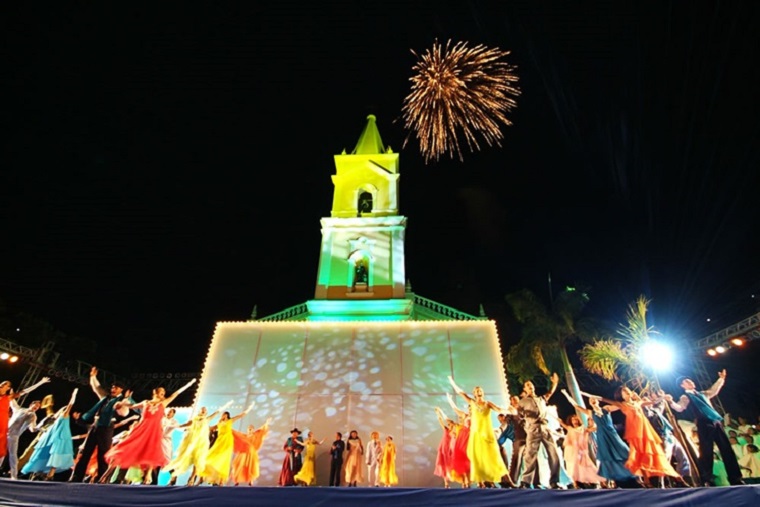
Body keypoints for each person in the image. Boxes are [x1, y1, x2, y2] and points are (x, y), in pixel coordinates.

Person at [100, 378, 197, 484]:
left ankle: (148, 476)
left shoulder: (163, 404)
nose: (163, 394)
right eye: (161, 392)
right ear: (155, 392)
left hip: (154, 432)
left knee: (152, 452)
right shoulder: (146, 402)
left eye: (164, 393)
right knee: (127, 448)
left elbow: (175, 394)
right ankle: (108, 476)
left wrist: (189, 384)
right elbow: (132, 406)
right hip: (141, 429)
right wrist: (123, 403)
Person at [665, 369, 744, 486]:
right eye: (687, 381)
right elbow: (680, 408)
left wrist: (721, 378)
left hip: (716, 421)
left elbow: (714, 390)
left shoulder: (702, 393)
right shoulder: (685, 396)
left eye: (690, 380)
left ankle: (736, 478)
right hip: (704, 423)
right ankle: (707, 479)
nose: (691, 382)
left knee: (727, 450)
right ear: (682, 385)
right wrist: (671, 401)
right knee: (707, 451)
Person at [593, 386, 681, 487]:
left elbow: (652, 402)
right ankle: (646, 481)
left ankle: (674, 477)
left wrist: (663, 397)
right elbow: (608, 403)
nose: (626, 393)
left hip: (645, 430)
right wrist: (598, 399)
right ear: (621, 396)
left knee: (654, 452)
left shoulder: (638, 402)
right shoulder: (622, 404)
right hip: (634, 432)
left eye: (627, 391)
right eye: (623, 393)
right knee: (639, 455)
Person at [561, 389, 640, 488]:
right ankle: (617, 480)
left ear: (597, 401)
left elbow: (619, 405)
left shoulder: (606, 408)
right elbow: (576, 406)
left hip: (611, 434)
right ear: (590, 403)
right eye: (590, 400)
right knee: (608, 458)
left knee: (624, 452)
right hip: (602, 436)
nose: (592, 400)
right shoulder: (591, 413)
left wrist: (631, 400)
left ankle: (633, 474)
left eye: (594, 399)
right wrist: (566, 394)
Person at [448, 376, 514, 488]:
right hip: (476, 436)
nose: (479, 392)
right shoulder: (472, 403)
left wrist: (509, 411)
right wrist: (452, 383)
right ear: (474, 394)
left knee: (495, 457)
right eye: (476, 391)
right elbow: (461, 393)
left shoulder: (487, 403)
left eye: (480, 391)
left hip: (487, 435)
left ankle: (508, 481)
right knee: (478, 459)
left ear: (483, 393)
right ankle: (481, 482)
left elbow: (498, 409)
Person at [69, 367, 133, 482]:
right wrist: (93, 376)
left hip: (106, 429)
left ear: (121, 390)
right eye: (113, 387)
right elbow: (97, 388)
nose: (113, 389)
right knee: (86, 453)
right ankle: (77, 476)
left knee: (103, 455)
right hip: (95, 426)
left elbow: (125, 412)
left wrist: (122, 405)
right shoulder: (105, 398)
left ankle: (101, 478)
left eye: (116, 388)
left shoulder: (121, 401)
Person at [166, 401, 233, 486]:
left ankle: (192, 478)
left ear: (206, 413)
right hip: (191, 442)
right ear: (199, 411)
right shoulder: (194, 419)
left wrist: (225, 406)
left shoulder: (207, 419)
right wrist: (177, 426)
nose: (203, 410)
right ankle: (174, 477)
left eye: (205, 410)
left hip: (201, 444)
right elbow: (187, 424)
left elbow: (216, 413)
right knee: (183, 458)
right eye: (202, 409)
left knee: (197, 461)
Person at [517, 373, 562, 489]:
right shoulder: (522, 402)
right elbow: (519, 415)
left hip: (545, 428)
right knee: (530, 455)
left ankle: (554, 481)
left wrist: (555, 383)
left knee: (554, 454)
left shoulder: (541, 399)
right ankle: (526, 481)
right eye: (527, 385)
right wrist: (525, 418)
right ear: (524, 389)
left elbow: (550, 393)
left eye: (531, 384)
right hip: (533, 429)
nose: (530, 386)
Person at [21, 388, 78, 480]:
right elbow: (50, 411)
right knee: (45, 453)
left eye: (66, 409)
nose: (65, 410)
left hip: (61, 437)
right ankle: (39, 472)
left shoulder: (65, 416)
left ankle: (49, 475)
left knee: (57, 455)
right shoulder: (55, 418)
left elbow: (70, 404)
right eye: (63, 409)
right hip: (52, 435)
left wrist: (73, 396)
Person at [0, 377, 50, 473]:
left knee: (5, 452)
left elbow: (25, 391)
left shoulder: (32, 416)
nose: (2, 384)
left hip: (9, 432)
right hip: (5, 429)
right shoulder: (18, 409)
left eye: (5, 384)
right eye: (2, 383)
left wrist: (40, 382)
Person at [199, 403, 254, 486]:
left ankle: (221, 480)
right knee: (210, 456)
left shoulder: (230, 421)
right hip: (219, 442)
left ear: (227, 415)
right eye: (222, 414)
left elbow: (240, 415)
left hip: (227, 442)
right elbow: (211, 428)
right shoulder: (219, 423)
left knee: (224, 460)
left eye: (224, 414)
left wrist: (249, 409)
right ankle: (212, 478)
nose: (222, 415)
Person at [557, 412, 604, 488]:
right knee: (572, 467)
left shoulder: (583, 429)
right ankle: (575, 483)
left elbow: (594, 429)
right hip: (571, 450)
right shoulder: (570, 428)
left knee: (586, 466)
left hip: (580, 451)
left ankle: (592, 481)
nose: (574, 421)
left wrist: (599, 422)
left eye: (576, 419)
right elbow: (561, 422)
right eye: (573, 420)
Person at [6, 397, 43, 479]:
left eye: (38, 407)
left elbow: (32, 429)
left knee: (12, 455)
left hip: (14, 436)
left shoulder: (33, 416)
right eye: (35, 405)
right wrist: (11, 394)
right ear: (31, 404)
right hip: (5, 433)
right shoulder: (19, 409)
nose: (36, 407)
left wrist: (39, 428)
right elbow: (12, 402)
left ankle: (13, 475)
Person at [231, 418, 271, 486]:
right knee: (239, 466)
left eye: (251, 428)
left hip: (251, 454)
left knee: (250, 467)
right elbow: (236, 434)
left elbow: (261, 430)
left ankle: (250, 481)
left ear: (253, 430)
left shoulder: (255, 435)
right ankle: (237, 480)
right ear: (247, 430)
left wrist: (266, 423)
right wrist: (228, 428)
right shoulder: (244, 436)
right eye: (249, 428)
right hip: (243, 454)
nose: (250, 429)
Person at [433, 407, 454, 488]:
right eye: (448, 424)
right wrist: (438, 413)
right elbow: (441, 421)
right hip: (443, 448)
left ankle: (461, 481)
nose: (449, 425)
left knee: (450, 466)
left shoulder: (454, 432)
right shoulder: (446, 429)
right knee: (444, 465)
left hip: (450, 450)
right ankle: (446, 483)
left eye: (450, 424)